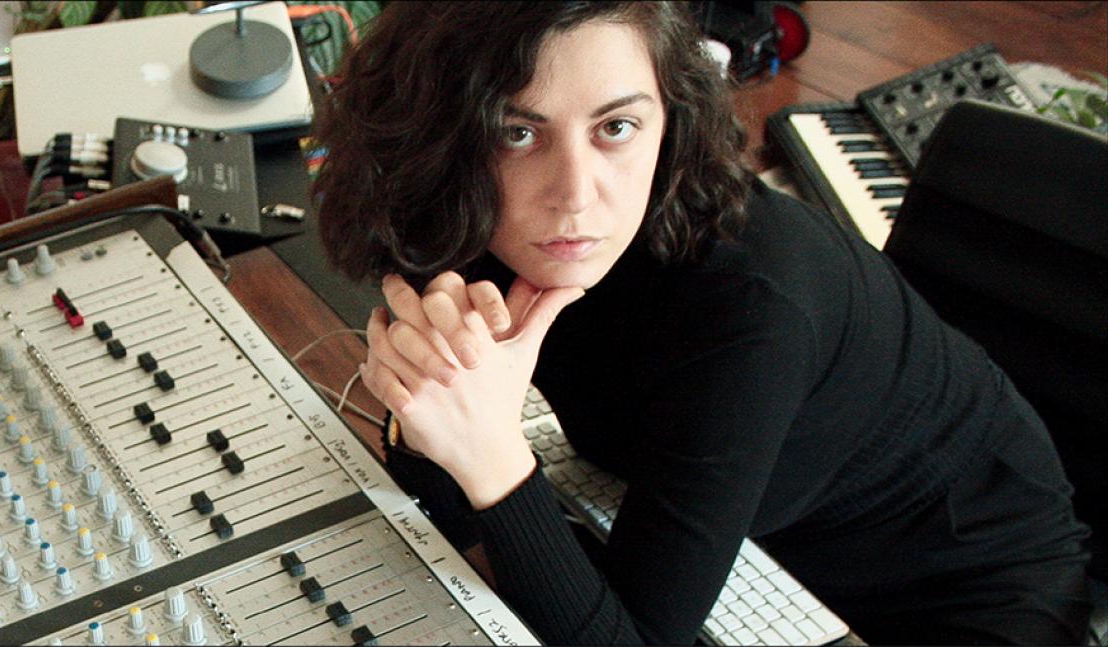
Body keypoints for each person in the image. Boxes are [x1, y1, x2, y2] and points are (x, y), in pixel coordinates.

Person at [312, 2, 1093, 644]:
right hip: (764, 552)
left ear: (671, 119)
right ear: (441, 139)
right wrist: (431, 418)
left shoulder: (751, 310)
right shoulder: (472, 224)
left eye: (616, 127)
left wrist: (489, 458)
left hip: (965, 588)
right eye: (518, 132)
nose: (577, 195)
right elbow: (434, 484)